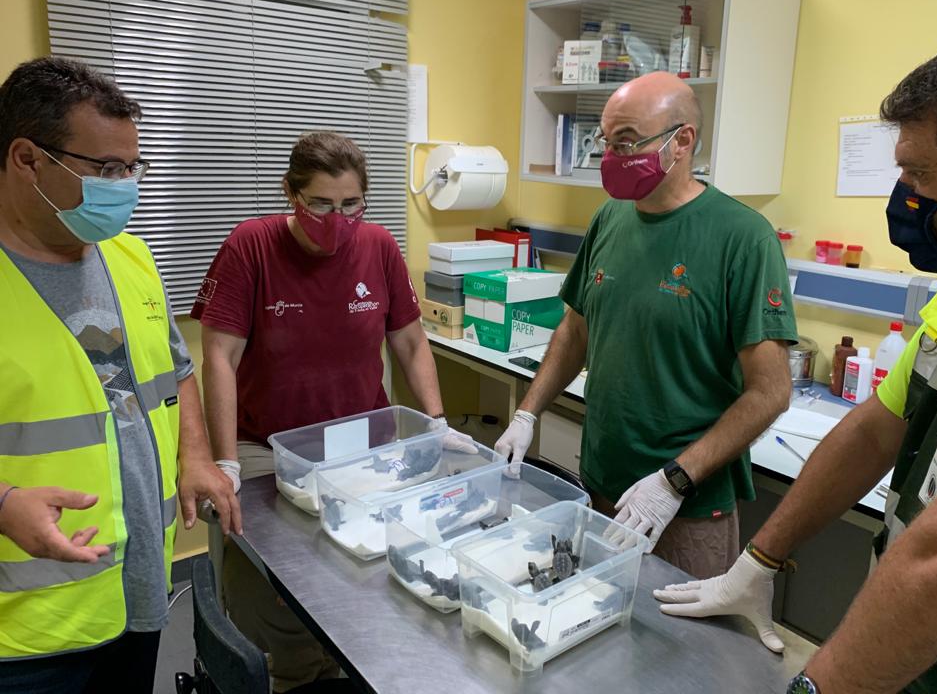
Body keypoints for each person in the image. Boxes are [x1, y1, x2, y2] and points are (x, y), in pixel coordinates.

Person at [655, 26, 937, 694]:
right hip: (926, 635)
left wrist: (813, 688)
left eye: (920, 174)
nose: (905, 198)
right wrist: (758, 560)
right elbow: (873, 430)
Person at [191, 130, 474, 691]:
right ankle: (289, 675)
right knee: (275, 582)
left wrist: (437, 422)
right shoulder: (252, 245)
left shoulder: (379, 248)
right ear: (290, 193)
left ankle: (347, 667)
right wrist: (224, 461)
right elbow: (218, 356)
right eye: (320, 203)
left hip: (364, 438)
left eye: (351, 205)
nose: (337, 218)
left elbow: (411, 343)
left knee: (364, 564)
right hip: (267, 444)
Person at [494, 71, 797, 579]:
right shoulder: (610, 217)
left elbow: (770, 392)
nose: (612, 156)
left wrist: (674, 482)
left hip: (685, 505)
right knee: (592, 622)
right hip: (601, 483)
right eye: (606, 142)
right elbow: (575, 331)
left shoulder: (743, 238)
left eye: (627, 142)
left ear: (682, 142)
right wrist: (527, 414)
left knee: (679, 650)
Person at [0, 57, 239, 692]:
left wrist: (195, 452)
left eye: (132, 167)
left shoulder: (128, 254)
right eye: (106, 169)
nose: (125, 186)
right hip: (26, 631)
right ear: (27, 159)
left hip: (136, 589)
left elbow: (174, 370)